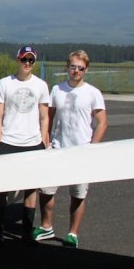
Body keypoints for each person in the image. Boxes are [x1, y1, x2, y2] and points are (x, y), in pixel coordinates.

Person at [35, 50, 107, 248]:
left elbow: (102, 122)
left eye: (80, 68)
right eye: (73, 67)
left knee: (78, 194)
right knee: (46, 190)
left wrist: (93, 147)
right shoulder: (57, 90)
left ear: (86, 69)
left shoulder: (93, 93)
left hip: (81, 149)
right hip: (58, 147)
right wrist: (46, 142)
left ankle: (72, 233)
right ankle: (46, 226)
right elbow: (48, 117)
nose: (76, 71)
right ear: (67, 67)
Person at [0, 45, 50, 243]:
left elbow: (44, 116)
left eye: (31, 60)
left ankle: (26, 232)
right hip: (8, 141)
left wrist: (43, 140)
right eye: (24, 59)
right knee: (1, 189)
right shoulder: (5, 83)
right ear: (18, 60)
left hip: (32, 142)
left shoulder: (41, 85)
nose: (27, 63)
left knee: (31, 189)